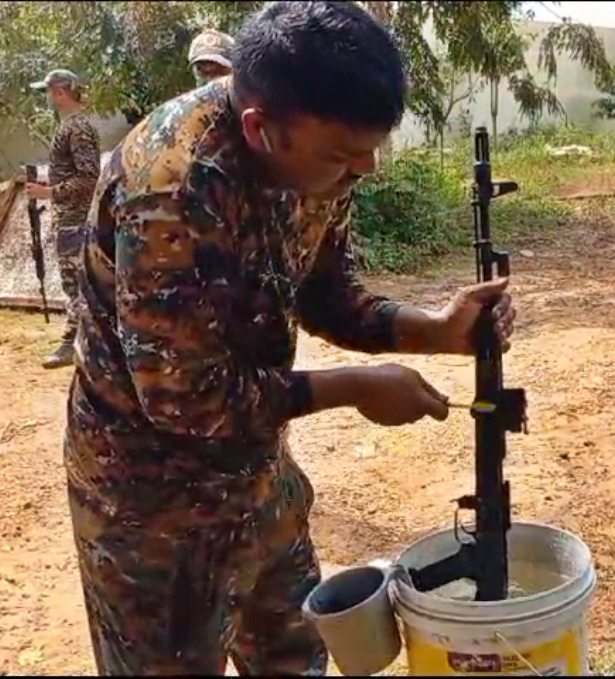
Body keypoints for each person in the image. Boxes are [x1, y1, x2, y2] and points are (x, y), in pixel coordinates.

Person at [66, 1, 515, 675]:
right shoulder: (172, 189)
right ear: (262, 130)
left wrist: (436, 331)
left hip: (258, 479)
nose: (362, 170)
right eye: (343, 155)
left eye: (369, 151)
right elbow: (185, 401)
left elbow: (325, 294)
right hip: (152, 509)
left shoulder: (320, 155)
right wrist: (355, 388)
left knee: (295, 659)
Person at [26, 69, 101, 370]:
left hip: (77, 219)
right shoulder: (71, 126)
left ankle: (75, 342)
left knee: (77, 284)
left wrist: (48, 193)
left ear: (59, 92)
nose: (47, 98)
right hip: (69, 218)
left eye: (48, 92)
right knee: (76, 284)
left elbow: (88, 178)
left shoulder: (79, 128)